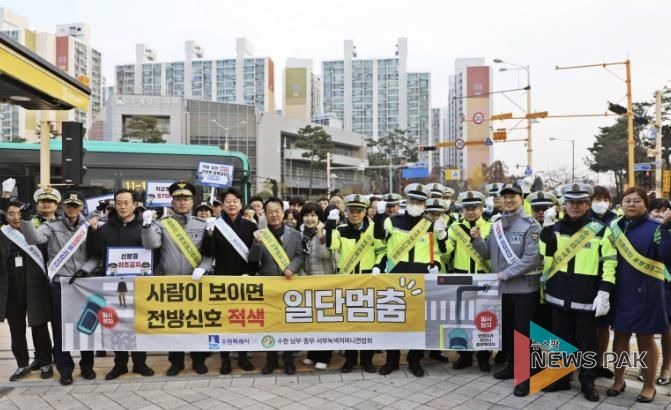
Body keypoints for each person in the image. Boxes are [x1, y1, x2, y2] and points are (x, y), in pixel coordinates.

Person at [539, 184, 617, 402]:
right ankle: (561, 377)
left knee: (588, 342)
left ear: (587, 204)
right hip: (558, 293)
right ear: (564, 204)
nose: (575, 206)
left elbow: (610, 263)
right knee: (561, 339)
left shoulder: (601, 230)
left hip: (586, 296)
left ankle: (588, 380)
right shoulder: (554, 228)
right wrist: (546, 231)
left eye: (580, 202)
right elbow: (544, 256)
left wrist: (605, 291)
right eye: (571, 202)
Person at [21, 190, 99, 385]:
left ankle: (87, 365)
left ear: (82, 207)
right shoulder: (52, 226)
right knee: (59, 327)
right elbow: (34, 239)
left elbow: (98, 255)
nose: (72, 208)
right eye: (68, 205)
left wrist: (85, 270)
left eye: (76, 205)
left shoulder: (91, 226)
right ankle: (65, 369)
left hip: (84, 283)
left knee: (86, 324)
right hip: (60, 284)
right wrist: (25, 220)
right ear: (62, 206)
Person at [471, 183, 541, 397]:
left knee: (523, 334)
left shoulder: (531, 225)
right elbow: (488, 254)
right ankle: (512, 366)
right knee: (509, 331)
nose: (508, 200)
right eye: (505, 197)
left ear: (522, 199)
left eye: (513, 196)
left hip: (524, 290)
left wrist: (506, 274)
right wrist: (476, 239)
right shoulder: (497, 225)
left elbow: (532, 259)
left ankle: (524, 377)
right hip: (503, 290)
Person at [141, 181, 213, 377]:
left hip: (196, 283)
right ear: (172, 201)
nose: (182, 202)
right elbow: (151, 245)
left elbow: (209, 253)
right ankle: (176, 362)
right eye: (178, 199)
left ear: (192, 201)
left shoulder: (202, 224)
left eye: (186, 199)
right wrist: (146, 225)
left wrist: (204, 268)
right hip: (171, 283)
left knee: (197, 322)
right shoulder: (162, 224)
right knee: (174, 323)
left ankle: (198, 360)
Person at [607, 187, 671, 403]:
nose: (632, 204)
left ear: (645, 204)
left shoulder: (656, 227)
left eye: (637, 201)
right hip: (620, 291)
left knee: (645, 338)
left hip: (647, 292)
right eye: (627, 200)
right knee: (620, 336)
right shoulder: (615, 226)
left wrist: (667, 229)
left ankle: (649, 385)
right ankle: (619, 379)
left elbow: (666, 255)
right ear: (621, 204)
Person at [378, 183, 447, 377]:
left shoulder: (431, 224)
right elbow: (382, 246)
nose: (415, 204)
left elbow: (440, 252)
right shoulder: (393, 221)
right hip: (395, 279)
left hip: (420, 280)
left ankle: (414, 360)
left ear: (425, 205)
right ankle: (392, 360)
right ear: (406, 201)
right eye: (412, 201)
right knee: (393, 321)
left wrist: (437, 263)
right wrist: (379, 217)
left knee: (418, 322)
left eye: (420, 202)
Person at [87, 189, 155, 380]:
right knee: (118, 325)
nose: (122, 206)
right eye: (119, 203)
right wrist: (93, 232)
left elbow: (154, 251)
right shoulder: (104, 228)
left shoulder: (145, 225)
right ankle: (120, 364)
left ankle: (140, 363)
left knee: (138, 323)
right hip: (113, 284)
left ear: (135, 205)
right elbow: (95, 253)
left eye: (126, 203)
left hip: (139, 284)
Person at [201, 187, 257, 375]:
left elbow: (254, 256)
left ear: (241, 204)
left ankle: (243, 357)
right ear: (222, 205)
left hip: (244, 279)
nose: (231, 204)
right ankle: (225, 359)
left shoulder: (250, 226)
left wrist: (249, 273)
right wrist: (209, 234)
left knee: (242, 319)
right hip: (222, 279)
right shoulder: (215, 225)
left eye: (235, 201)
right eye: (228, 201)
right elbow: (209, 253)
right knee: (224, 321)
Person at [325, 194, 383, 374]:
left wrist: (377, 266)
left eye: (359, 211)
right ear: (347, 212)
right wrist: (330, 224)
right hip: (347, 281)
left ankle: (367, 360)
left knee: (368, 323)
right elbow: (331, 245)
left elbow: (382, 252)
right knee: (349, 324)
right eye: (351, 211)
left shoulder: (374, 229)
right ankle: (350, 359)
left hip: (368, 281)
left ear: (365, 212)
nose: (355, 214)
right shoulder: (341, 230)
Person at [249, 197, 305, 375]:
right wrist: (257, 243)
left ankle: (288, 360)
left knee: (289, 324)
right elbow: (253, 259)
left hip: (289, 285)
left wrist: (291, 268)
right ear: (265, 214)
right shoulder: (260, 234)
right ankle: (271, 359)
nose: (274, 215)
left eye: (277, 211)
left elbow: (300, 256)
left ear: (283, 212)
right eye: (270, 212)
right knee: (270, 324)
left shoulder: (295, 234)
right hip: (269, 286)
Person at [0, 201, 53, 381]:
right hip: (12, 291)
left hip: (35, 287)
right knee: (16, 331)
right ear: (6, 216)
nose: (16, 217)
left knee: (40, 328)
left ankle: (45, 362)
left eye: (19, 213)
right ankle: (22, 365)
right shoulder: (3, 234)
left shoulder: (35, 231)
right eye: (11, 213)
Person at [444, 191, 492, 371]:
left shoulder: (491, 227)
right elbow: (446, 253)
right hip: (461, 277)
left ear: (482, 208)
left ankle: (484, 356)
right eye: (467, 208)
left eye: (474, 208)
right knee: (463, 319)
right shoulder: (455, 227)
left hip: (484, 278)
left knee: (485, 318)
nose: (470, 212)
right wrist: (441, 238)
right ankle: (465, 355)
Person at [300, 202, 335, 370]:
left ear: (319, 217)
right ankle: (313, 353)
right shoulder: (301, 234)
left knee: (326, 321)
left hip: (325, 283)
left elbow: (325, 255)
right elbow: (301, 259)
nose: (309, 219)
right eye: (306, 215)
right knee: (313, 320)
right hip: (308, 282)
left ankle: (325, 356)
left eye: (313, 215)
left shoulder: (326, 232)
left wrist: (321, 235)